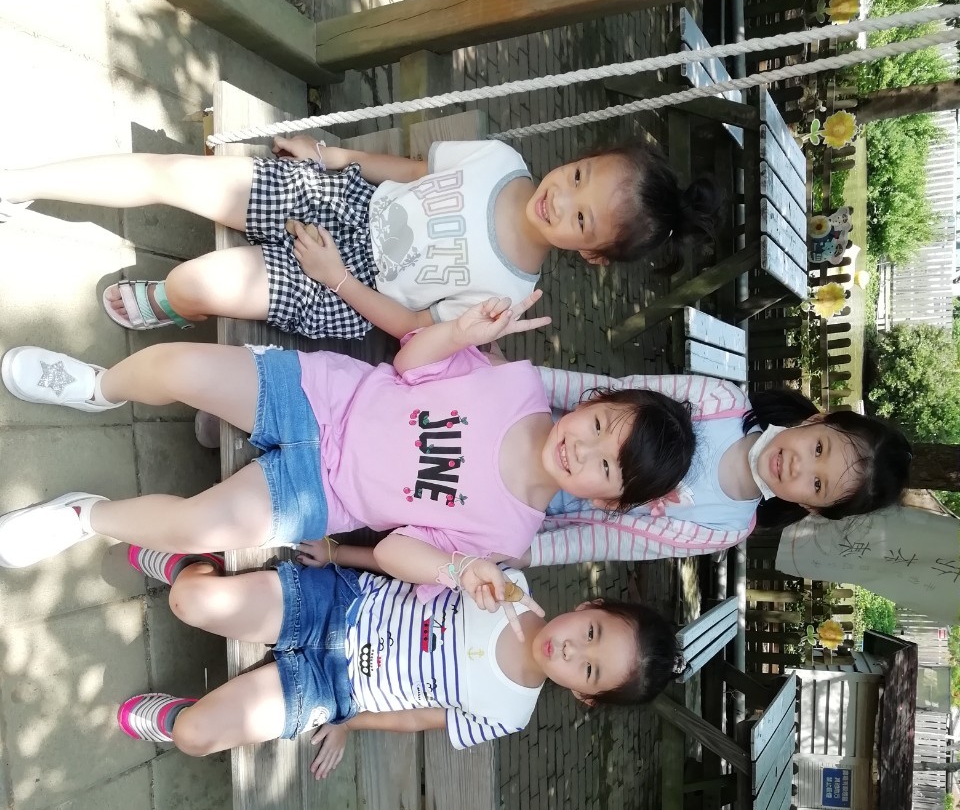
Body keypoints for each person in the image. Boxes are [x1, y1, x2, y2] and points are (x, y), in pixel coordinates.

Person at [0, 295, 696, 617]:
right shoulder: (515, 383)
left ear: (606, 500)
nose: (584, 447)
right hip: (321, 395)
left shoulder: (508, 538)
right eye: (600, 424)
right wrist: (458, 333)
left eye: (607, 467)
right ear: (593, 400)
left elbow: (391, 550)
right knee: (175, 366)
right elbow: (411, 363)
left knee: (192, 529)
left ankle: (84, 517)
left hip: (321, 494)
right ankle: (99, 388)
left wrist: (458, 571)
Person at [0, 135, 721, 340]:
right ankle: (19, 177)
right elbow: (413, 170)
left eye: (581, 219)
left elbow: (412, 327)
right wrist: (333, 156)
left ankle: (171, 302)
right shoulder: (500, 160)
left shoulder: (507, 294)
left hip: (348, 288)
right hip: (342, 199)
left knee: (194, 283)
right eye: (579, 175)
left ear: (589, 254)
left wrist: (336, 277)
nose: (560, 198)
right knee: (176, 174)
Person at [115, 547, 681, 777]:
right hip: (337, 604)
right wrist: (339, 553)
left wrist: (347, 722)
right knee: (188, 601)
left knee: (192, 736)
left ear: (584, 695)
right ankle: (195, 565)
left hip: (331, 690)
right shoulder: (508, 583)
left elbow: (416, 718)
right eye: (591, 633)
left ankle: (184, 714)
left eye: (589, 670)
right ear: (590, 606)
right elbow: (413, 564)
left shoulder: (510, 714)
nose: (573, 650)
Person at [516, 368, 912, 567]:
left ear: (813, 508)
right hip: (536, 428)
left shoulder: (728, 528)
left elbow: (614, 542)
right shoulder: (719, 400)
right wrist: (521, 378)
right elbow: (611, 392)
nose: (798, 466)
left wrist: (529, 554)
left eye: (818, 484)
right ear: (816, 419)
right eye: (819, 448)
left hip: (534, 509)